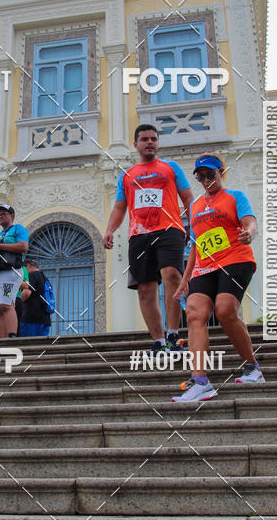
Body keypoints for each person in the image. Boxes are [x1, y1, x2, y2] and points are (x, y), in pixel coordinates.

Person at [172, 153, 262, 402]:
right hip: (204, 266)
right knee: (194, 312)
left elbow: (250, 222)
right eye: (201, 177)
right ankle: (200, 381)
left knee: (224, 311)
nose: (206, 180)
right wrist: (184, 279)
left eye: (210, 175)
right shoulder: (195, 206)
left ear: (221, 173)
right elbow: (196, 245)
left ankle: (252, 367)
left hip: (235, 259)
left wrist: (249, 233)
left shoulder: (235, 197)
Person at [103, 124, 193, 353]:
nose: (150, 142)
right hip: (139, 234)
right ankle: (158, 341)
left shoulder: (170, 168)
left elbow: (188, 198)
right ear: (136, 144)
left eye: (153, 138)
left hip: (170, 229)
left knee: (172, 275)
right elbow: (119, 207)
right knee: (145, 288)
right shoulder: (127, 175)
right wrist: (110, 230)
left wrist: (194, 224)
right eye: (145, 139)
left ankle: (173, 336)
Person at [0, 204, 28, 338]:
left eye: (4, 213)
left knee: (6, 304)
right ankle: (2, 339)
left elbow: (23, 246)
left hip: (10, 272)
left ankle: (12, 335)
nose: (0, 216)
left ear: (12, 216)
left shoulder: (17, 229)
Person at [19, 260, 52, 337]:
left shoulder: (31, 275)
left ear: (27, 266)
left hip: (31, 318)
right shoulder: (46, 279)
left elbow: (26, 293)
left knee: (28, 345)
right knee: (40, 346)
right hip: (45, 319)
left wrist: (16, 302)